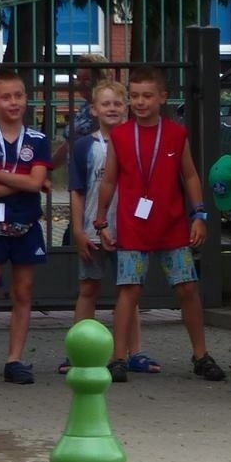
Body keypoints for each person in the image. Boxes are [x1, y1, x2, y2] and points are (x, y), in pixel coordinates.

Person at [93, 66, 227, 381]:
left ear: (162, 97)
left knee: (188, 288)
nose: (140, 102)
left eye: (147, 96)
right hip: (133, 227)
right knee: (129, 290)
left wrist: (199, 215)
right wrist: (101, 221)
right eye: (135, 96)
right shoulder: (121, 135)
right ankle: (118, 358)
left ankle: (200, 354)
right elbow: (109, 181)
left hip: (172, 227)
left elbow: (191, 175)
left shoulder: (176, 133)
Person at [0, 71, 51, 385]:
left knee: (23, 291)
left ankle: (14, 359)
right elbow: (11, 187)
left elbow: (36, 181)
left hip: (27, 226)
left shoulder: (39, 140)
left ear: (26, 99)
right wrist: (26, 182)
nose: (13, 102)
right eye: (6, 97)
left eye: (18, 95)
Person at [65, 79, 130, 379]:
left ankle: (130, 352)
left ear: (126, 107)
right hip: (93, 228)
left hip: (127, 231)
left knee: (128, 292)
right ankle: (78, 351)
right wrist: (78, 230)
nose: (112, 109)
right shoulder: (83, 146)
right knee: (88, 288)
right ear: (94, 109)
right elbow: (76, 190)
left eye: (117, 103)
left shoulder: (133, 141)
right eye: (106, 104)